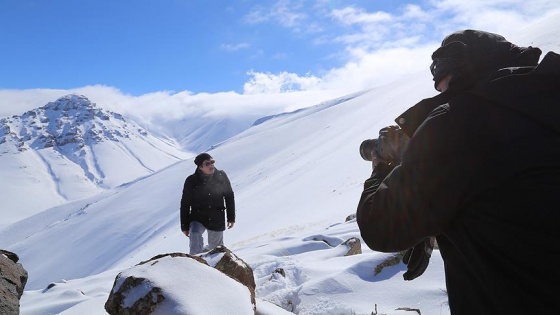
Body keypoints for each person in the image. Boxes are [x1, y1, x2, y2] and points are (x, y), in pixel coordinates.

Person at [356, 29, 560, 314]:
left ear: (467, 66)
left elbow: (379, 226)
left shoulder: (460, 120)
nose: (442, 90)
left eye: (444, 77)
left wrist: (380, 171)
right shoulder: (545, 100)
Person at [180, 153, 235, 255]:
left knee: (216, 251)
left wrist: (231, 217)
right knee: (195, 237)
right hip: (198, 217)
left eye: (212, 162)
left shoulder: (221, 176)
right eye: (207, 163)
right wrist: (184, 226)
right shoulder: (191, 181)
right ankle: (195, 265)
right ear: (200, 166)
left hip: (216, 217)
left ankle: (213, 269)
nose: (211, 165)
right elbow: (185, 204)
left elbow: (229, 196)